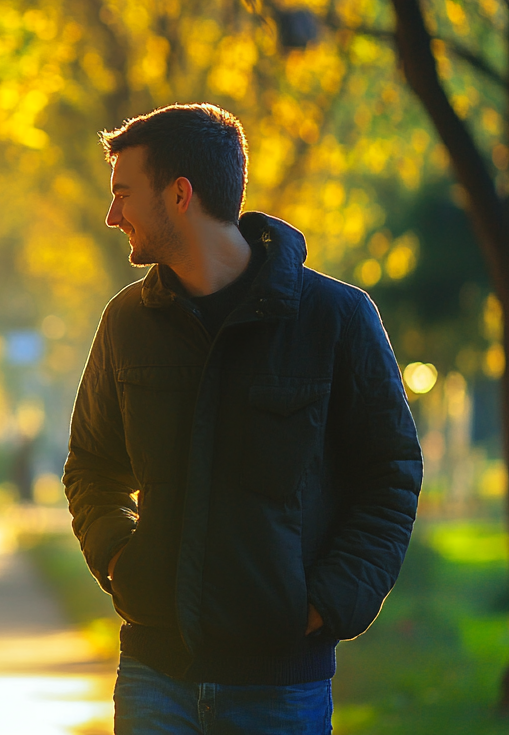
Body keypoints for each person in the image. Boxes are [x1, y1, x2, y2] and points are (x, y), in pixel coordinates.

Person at [63, 104, 422, 735]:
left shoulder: (335, 319)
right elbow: (92, 466)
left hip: (281, 685)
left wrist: (327, 603)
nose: (111, 215)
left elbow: (389, 473)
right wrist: (122, 561)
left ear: (180, 194)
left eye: (123, 194)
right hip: (153, 676)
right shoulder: (126, 322)